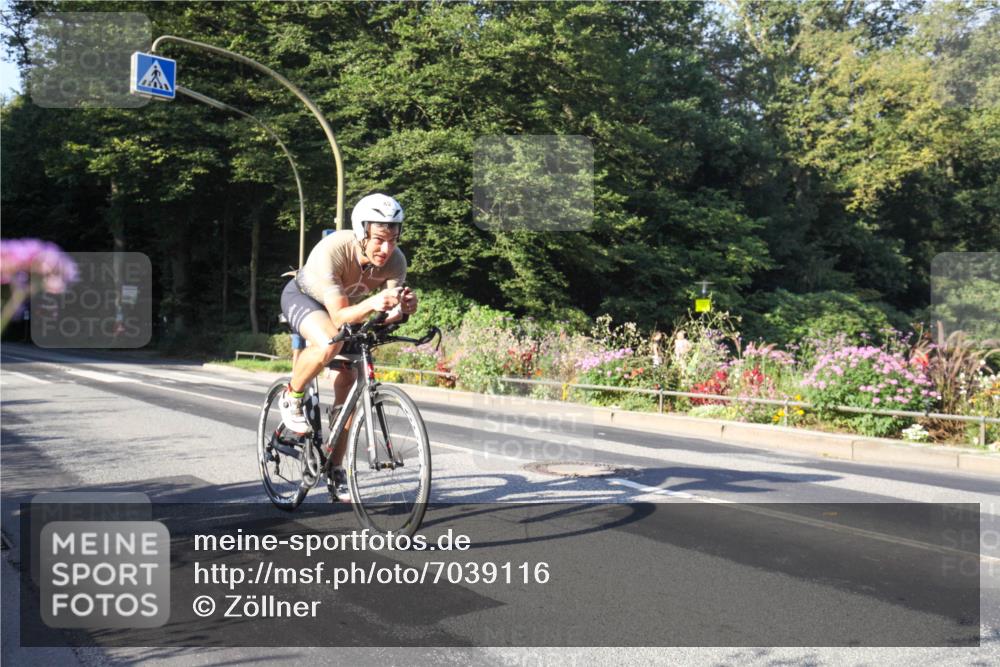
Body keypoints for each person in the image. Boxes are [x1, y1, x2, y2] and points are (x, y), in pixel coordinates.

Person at [278, 193, 418, 498]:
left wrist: (405, 308)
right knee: (328, 341)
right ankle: (293, 396)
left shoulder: (396, 262)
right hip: (305, 298)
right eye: (379, 239)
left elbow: (390, 312)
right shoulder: (334, 250)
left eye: (393, 239)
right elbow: (340, 315)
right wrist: (373, 302)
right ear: (361, 231)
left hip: (349, 309)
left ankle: (335, 467)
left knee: (350, 387)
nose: (387, 248)